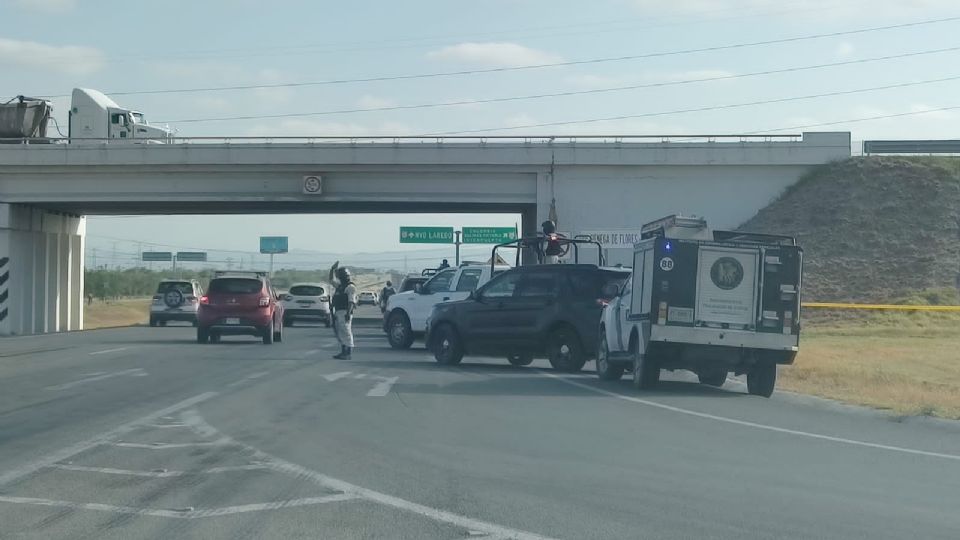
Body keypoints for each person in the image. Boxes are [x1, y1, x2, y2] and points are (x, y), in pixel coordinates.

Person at [328, 261, 357, 359]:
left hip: (345, 312)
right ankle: (343, 351)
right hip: (338, 311)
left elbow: (351, 301)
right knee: (340, 332)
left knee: (346, 331)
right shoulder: (340, 286)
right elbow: (331, 280)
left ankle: (348, 352)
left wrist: (348, 313)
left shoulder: (350, 287)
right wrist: (332, 269)